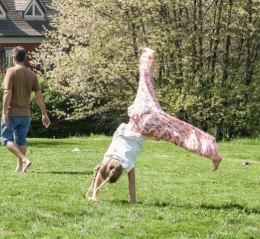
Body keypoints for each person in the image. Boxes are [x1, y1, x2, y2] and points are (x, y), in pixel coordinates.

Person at [87, 48, 222, 203]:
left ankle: (213, 154)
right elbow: (102, 170)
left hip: (149, 126)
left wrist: (132, 202)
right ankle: (147, 57)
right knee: (144, 84)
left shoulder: (128, 164)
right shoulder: (108, 155)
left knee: (182, 136)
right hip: (139, 113)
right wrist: (95, 192)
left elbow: (131, 183)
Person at [0, 46, 50, 172]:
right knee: (21, 140)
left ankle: (24, 160)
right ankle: (19, 168)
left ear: (14, 58)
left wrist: (4, 112)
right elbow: (39, 95)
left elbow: (8, 93)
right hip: (26, 115)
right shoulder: (32, 74)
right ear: (24, 58)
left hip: (12, 112)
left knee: (6, 139)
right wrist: (44, 113)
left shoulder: (11, 71)